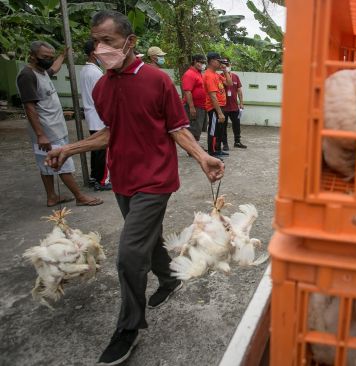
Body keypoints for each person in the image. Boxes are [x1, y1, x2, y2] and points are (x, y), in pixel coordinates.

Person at [45, 10, 224, 365]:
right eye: (96, 41)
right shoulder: (101, 87)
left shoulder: (157, 80)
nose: (100, 48)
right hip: (123, 181)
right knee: (148, 239)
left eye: (108, 41)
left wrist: (202, 156)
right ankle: (170, 278)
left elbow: (176, 128)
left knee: (128, 255)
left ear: (130, 42)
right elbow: (109, 134)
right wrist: (69, 147)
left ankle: (128, 327)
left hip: (156, 180)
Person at [16, 40, 103, 207]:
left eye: (50, 56)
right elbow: (29, 106)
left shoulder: (42, 72)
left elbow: (54, 68)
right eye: (44, 57)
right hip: (46, 130)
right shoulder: (27, 75)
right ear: (32, 56)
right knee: (63, 162)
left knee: (45, 163)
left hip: (53, 127)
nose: (48, 59)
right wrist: (41, 134)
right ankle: (79, 196)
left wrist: (63, 55)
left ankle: (52, 196)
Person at [79, 39, 111, 191]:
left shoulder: (86, 70)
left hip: (92, 115)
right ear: (93, 53)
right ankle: (102, 180)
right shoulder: (96, 73)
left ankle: (94, 177)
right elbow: (102, 97)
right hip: (98, 117)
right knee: (102, 151)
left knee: (96, 149)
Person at [203, 52, 232, 157]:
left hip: (220, 106)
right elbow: (213, 96)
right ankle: (212, 152)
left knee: (219, 130)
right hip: (214, 107)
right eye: (218, 61)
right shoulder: (209, 76)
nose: (220, 63)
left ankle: (218, 149)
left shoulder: (216, 75)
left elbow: (229, 83)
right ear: (211, 61)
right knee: (214, 130)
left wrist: (225, 71)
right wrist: (219, 113)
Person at [219, 57, 247, 149]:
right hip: (223, 107)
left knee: (237, 125)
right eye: (224, 65)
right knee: (223, 126)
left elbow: (239, 90)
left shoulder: (235, 76)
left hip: (234, 106)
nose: (226, 66)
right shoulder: (219, 77)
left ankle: (237, 142)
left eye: (227, 65)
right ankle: (225, 144)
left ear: (230, 65)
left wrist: (241, 103)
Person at [181, 54, 207, 143]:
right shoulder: (189, 74)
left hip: (201, 106)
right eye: (201, 62)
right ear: (195, 62)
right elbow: (188, 92)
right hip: (193, 106)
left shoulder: (199, 73)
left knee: (197, 129)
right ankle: (192, 149)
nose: (203, 64)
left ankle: (195, 147)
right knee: (193, 129)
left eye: (204, 62)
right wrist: (192, 107)